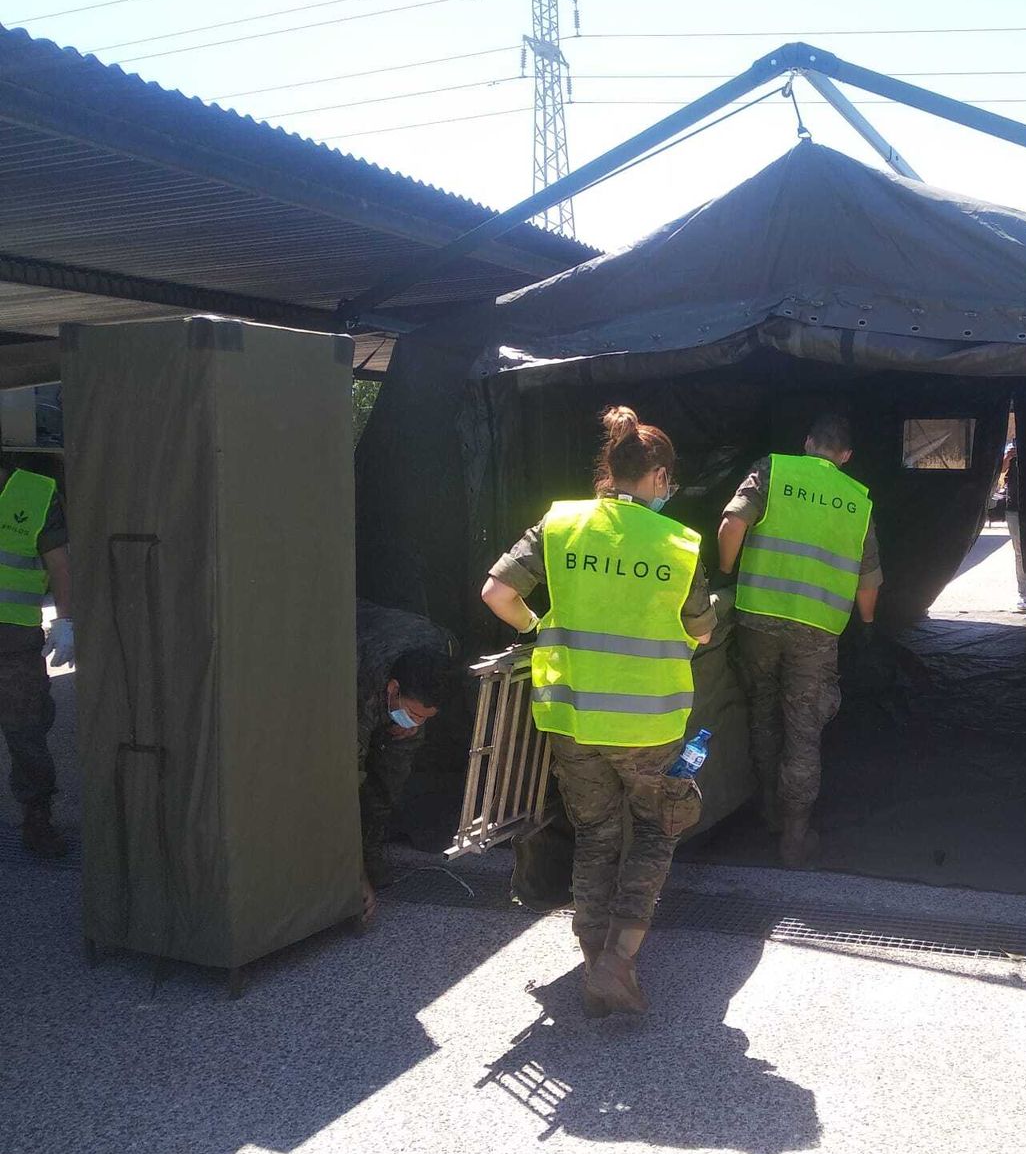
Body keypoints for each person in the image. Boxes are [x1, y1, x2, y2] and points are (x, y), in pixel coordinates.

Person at [481, 406, 713, 1018]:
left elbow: (497, 594)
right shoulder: (680, 544)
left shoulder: (558, 526)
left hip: (573, 717)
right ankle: (617, 963)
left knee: (596, 836)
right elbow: (702, 629)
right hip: (648, 726)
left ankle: (591, 963)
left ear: (610, 469)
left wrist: (540, 633)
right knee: (656, 832)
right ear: (659, 476)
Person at [717, 414, 882, 869]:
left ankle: (769, 810)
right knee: (804, 730)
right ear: (846, 456)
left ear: (808, 443)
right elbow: (869, 581)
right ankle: (795, 834)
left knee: (763, 712)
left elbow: (733, 522)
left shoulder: (773, 470)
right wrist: (865, 623)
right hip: (816, 630)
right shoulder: (858, 500)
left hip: (758, 619)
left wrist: (727, 571)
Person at [354, 599, 456, 925]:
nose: (414, 722)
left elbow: (419, 710)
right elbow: (340, 786)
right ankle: (357, 864)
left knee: (397, 762)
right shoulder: (360, 681)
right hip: (355, 647)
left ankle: (372, 847)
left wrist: (412, 722)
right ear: (392, 689)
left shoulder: (441, 649)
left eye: (425, 717)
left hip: (397, 662)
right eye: (411, 713)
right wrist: (352, 874)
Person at [0, 455, 73, 858]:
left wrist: (66, 622)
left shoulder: (35, 492)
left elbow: (59, 565)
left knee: (26, 732)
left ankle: (36, 818)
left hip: (12, 642)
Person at [1000, 441, 1026, 613]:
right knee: (1020, 552)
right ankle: (1024, 595)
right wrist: (1008, 457)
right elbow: (999, 470)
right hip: (1014, 506)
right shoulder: (1009, 447)